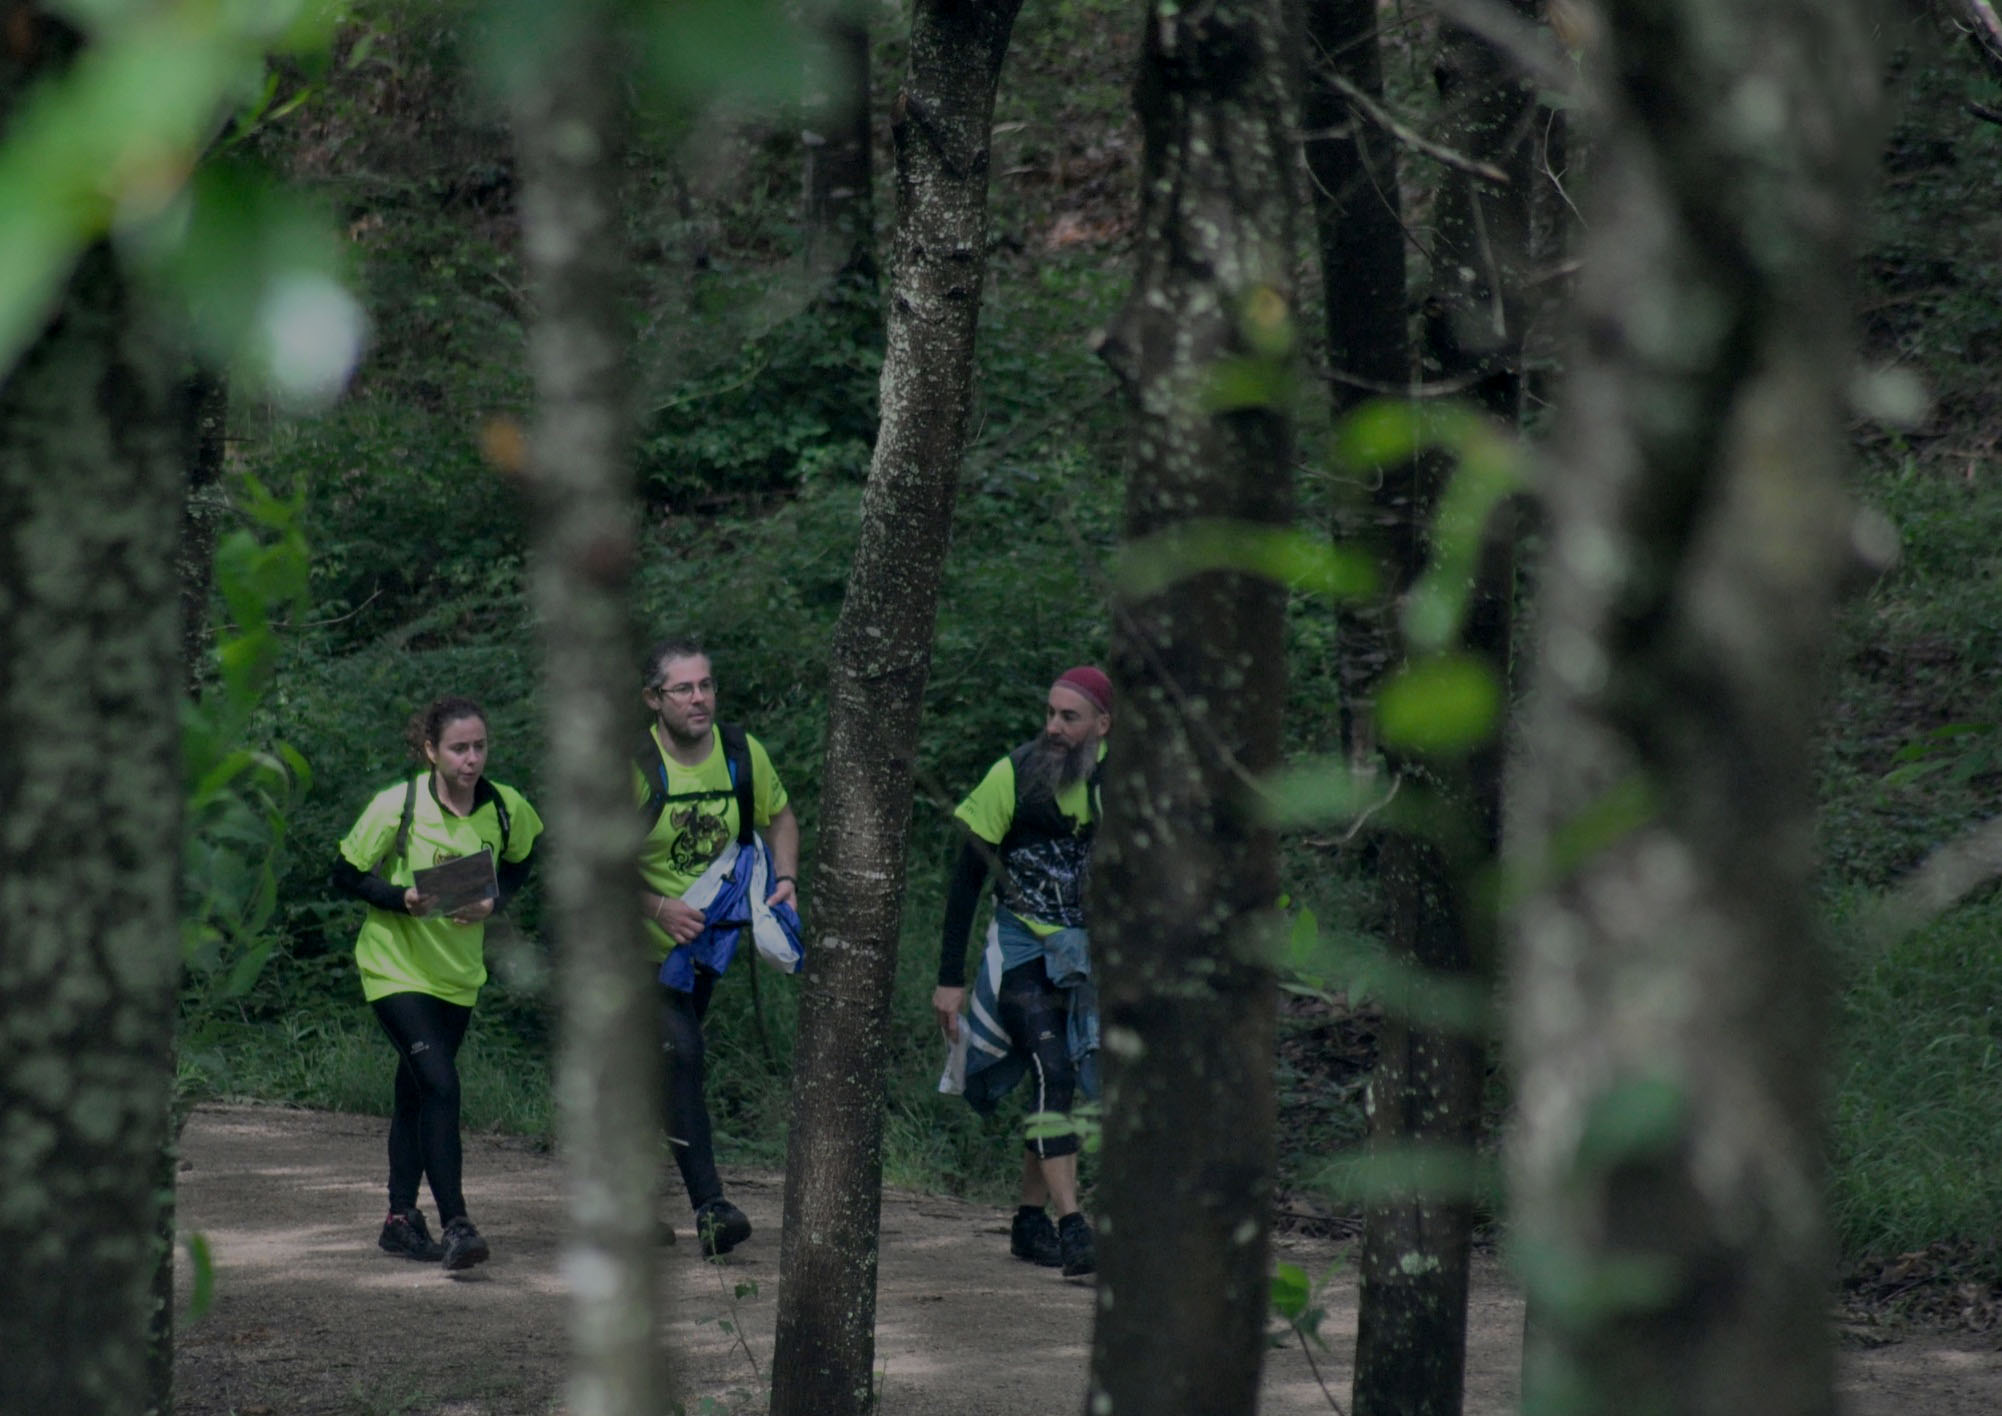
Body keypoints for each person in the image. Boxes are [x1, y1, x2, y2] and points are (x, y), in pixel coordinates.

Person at [330, 695, 543, 1271]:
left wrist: (493, 901)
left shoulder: (504, 808)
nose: (471, 759)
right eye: (458, 748)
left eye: (479, 747)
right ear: (431, 750)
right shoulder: (397, 805)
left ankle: (400, 1220)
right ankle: (457, 1223)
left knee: (416, 1094)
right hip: (394, 968)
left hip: (457, 977)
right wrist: (402, 899)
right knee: (442, 1087)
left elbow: (526, 858)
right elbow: (344, 873)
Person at [933, 665, 1110, 1278]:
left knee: (1060, 1076)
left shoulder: (1119, 780)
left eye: (1070, 717)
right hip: (1021, 953)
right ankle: (1073, 1226)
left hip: (1089, 961)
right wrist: (949, 979)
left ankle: (1028, 1222)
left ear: (1102, 726)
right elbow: (965, 880)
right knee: (1051, 1069)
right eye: (1050, 713)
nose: (1053, 728)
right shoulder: (1013, 773)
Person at [636, 638, 801, 1257]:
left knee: (660, 1075)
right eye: (684, 689)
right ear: (654, 699)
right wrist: (656, 906)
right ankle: (711, 1208)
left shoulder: (740, 752)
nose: (699, 698)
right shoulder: (632, 766)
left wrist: (784, 880)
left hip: (701, 950)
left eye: (706, 685)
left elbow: (780, 818)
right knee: (680, 1053)